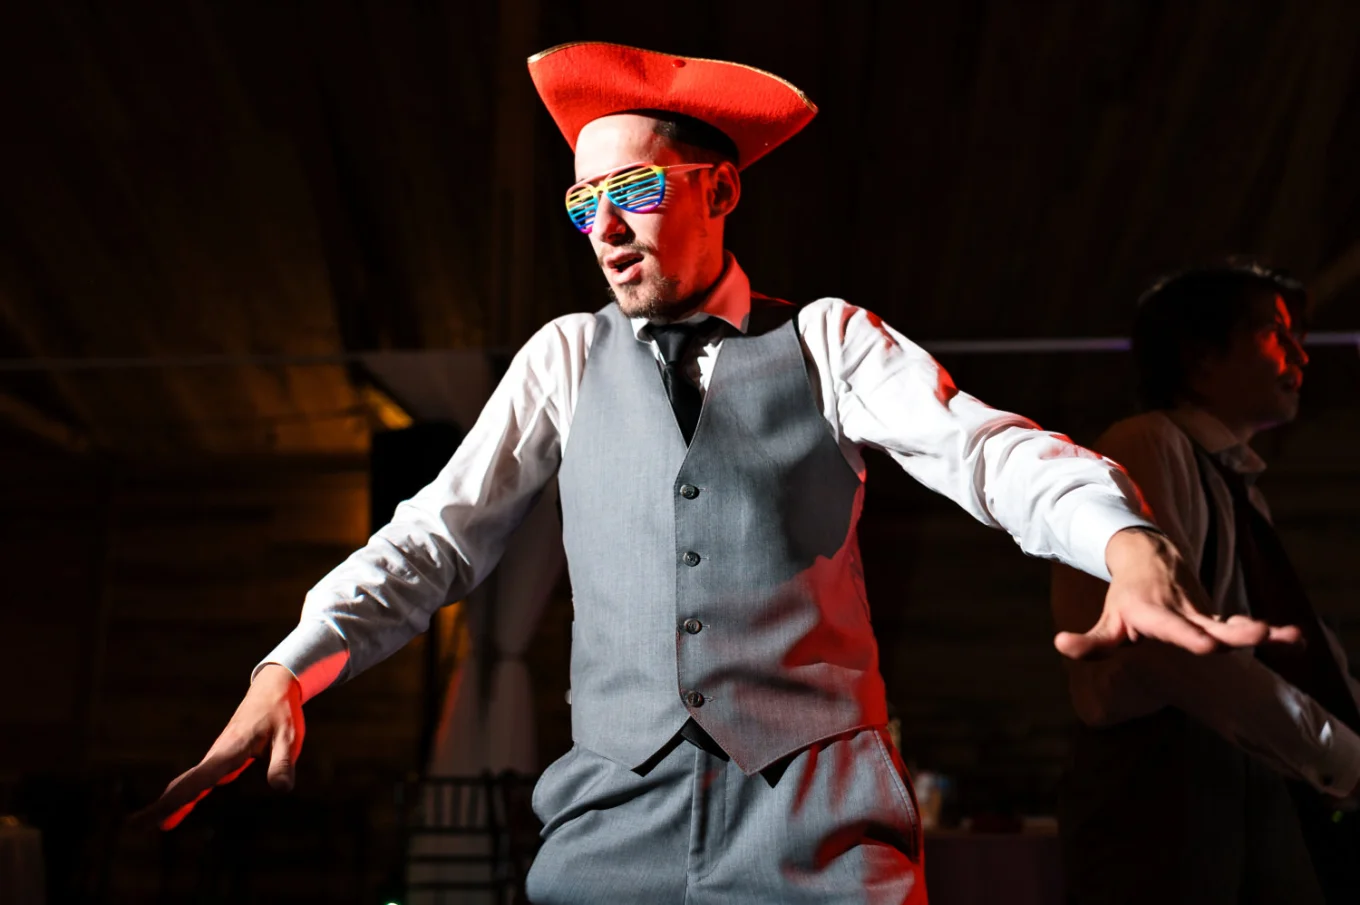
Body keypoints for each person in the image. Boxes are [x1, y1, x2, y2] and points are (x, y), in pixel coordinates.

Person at [136, 45, 1295, 903]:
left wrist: (1124, 538)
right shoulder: (565, 355)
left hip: (818, 833)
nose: (604, 228)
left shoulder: (828, 340)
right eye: (582, 204)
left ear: (718, 190)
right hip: (609, 825)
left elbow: (988, 452)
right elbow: (434, 534)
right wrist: (292, 662)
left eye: (632, 189)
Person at [1052, 262, 1360, 905]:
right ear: (1200, 359)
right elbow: (1180, 652)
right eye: (1273, 332)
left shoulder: (1234, 485)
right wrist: (1340, 755)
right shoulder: (1147, 444)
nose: (1300, 352)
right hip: (1162, 785)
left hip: (1242, 766)